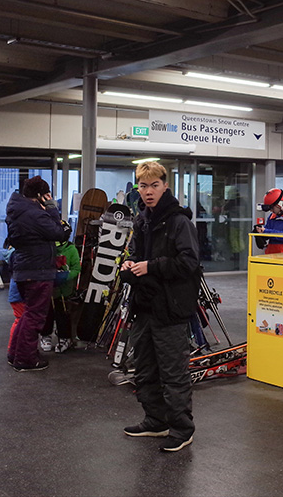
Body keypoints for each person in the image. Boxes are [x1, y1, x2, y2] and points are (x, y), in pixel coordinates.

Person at [120, 162, 199, 453]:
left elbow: (189, 263)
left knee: (173, 373)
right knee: (144, 369)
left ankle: (182, 428)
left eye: (154, 185)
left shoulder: (179, 222)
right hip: (145, 306)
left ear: (165, 186)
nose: (148, 192)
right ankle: (156, 420)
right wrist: (130, 264)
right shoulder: (142, 221)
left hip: (171, 308)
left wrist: (150, 266)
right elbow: (135, 255)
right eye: (143, 186)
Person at [5, 176, 67, 371]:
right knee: (34, 316)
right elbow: (58, 233)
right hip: (38, 270)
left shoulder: (18, 211)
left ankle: (15, 353)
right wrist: (52, 209)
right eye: (47, 195)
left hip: (25, 269)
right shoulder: (35, 214)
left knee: (27, 314)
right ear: (40, 195)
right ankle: (25, 359)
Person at [39, 220, 81, 354]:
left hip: (64, 291)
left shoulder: (71, 249)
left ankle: (65, 338)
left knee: (63, 315)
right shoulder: (46, 248)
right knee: (47, 314)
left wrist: (67, 276)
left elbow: (76, 268)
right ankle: (45, 336)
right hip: (48, 290)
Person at [253, 188, 283, 254]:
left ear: (280, 204)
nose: (271, 210)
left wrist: (265, 231)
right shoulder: (272, 216)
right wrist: (259, 232)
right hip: (271, 255)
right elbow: (268, 232)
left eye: (272, 208)